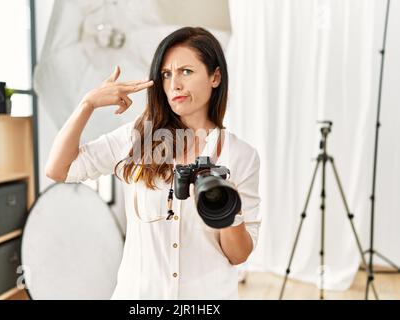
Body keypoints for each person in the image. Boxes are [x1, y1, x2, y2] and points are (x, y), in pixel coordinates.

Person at [45, 27, 261, 299]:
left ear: (215, 76)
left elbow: (239, 255)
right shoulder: (135, 139)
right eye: (166, 74)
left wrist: (227, 204)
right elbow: (58, 169)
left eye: (186, 71)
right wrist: (88, 104)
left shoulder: (241, 155)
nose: (174, 85)